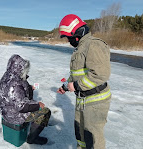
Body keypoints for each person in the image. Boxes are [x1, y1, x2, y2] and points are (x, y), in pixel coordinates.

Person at [57, 14, 111, 149]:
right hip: (83, 100)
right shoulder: (81, 47)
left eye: (69, 38)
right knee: (81, 136)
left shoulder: (94, 45)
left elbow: (100, 75)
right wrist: (66, 86)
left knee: (92, 139)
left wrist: (75, 86)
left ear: (77, 33)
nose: (69, 41)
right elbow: (78, 73)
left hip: (95, 101)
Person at [0, 54, 51, 145]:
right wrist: (38, 105)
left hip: (7, 109)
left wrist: (29, 88)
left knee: (35, 107)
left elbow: (18, 90)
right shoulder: (15, 83)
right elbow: (21, 106)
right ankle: (32, 138)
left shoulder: (9, 75)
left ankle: (30, 128)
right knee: (45, 112)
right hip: (14, 114)